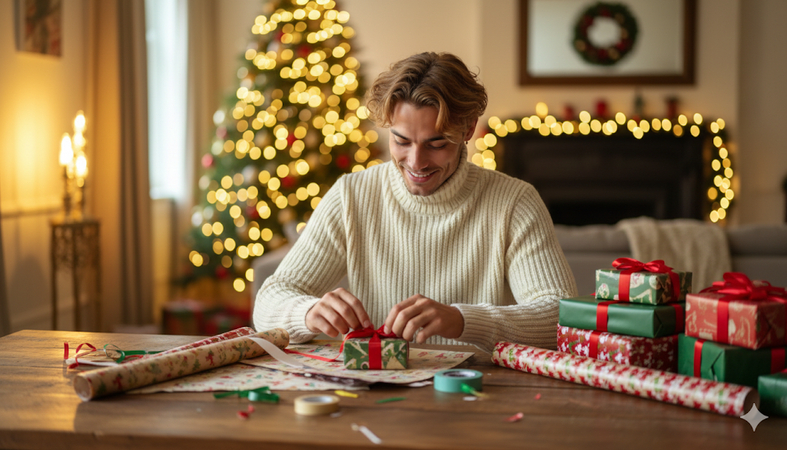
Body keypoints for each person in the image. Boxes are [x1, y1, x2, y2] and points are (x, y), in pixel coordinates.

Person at [253, 52, 577, 352]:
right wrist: (308, 312)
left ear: (468, 129)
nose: (416, 162)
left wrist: (462, 320)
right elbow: (268, 302)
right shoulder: (351, 197)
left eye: (436, 143)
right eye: (401, 141)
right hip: (374, 387)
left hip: (476, 389)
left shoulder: (515, 203)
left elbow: (561, 318)